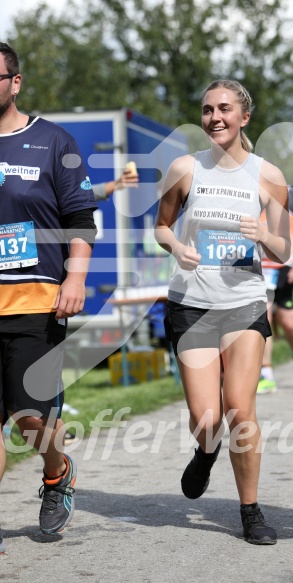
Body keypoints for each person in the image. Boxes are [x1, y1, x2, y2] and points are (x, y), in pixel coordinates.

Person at [155, 79, 290, 545]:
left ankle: (251, 510)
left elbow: (285, 248)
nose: (215, 117)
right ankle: (205, 452)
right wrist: (176, 247)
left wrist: (263, 235)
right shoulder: (185, 168)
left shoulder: (267, 175)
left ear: (244, 117)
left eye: (225, 109)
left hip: (243, 304)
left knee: (240, 408)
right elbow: (161, 226)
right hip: (192, 303)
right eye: (208, 109)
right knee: (207, 419)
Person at [0, 42, 97, 546]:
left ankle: (57, 472)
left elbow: (81, 219)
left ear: (15, 82)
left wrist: (75, 279)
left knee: (29, 417)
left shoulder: (54, 141)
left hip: (37, 302)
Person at [257, 186, 293, 394]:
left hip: (286, 267)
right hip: (260, 268)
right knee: (263, 319)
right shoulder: (247, 192)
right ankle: (267, 374)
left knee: (288, 323)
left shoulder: (291, 195)